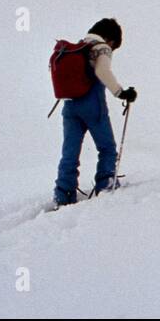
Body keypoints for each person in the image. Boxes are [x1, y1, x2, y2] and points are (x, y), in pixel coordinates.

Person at [53, 18, 137, 207]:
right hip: (92, 103)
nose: (112, 49)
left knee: (70, 152)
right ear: (111, 39)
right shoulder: (101, 47)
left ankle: (63, 193)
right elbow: (102, 71)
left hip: (69, 105)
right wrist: (121, 92)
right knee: (106, 147)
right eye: (114, 45)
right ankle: (106, 183)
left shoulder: (78, 47)